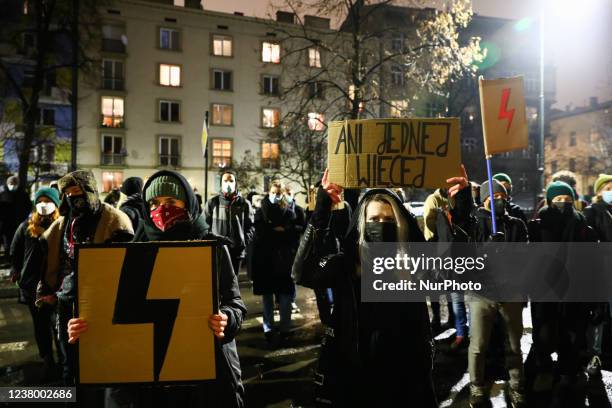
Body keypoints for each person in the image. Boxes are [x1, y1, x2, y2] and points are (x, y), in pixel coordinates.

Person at [67, 170, 247, 407]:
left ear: (188, 203)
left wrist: (226, 318)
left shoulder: (213, 249)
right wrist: (86, 327)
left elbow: (236, 305)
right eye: (154, 203)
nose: (162, 209)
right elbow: (113, 309)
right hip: (147, 383)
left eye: (171, 202)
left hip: (205, 377)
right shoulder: (128, 251)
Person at [294, 169, 472, 407]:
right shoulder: (345, 265)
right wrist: (322, 209)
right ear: (362, 224)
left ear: (400, 225)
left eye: (388, 220)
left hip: (405, 382)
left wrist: (461, 207)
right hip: (355, 380)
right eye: (374, 220)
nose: (381, 225)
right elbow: (302, 272)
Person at [35, 170, 134, 386]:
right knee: (68, 360)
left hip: (99, 303)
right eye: (68, 193)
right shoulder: (63, 223)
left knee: (98, 360)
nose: (73, 197)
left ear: (89, 190)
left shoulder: (114, 221)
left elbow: (119, 268)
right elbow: (51, 258)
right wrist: (47, 290)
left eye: (77, 191)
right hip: (64, 301)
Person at [526, 181, 597, 405]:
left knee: (572, 335)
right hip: (546, 292)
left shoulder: (583, 226)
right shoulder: (536, 227)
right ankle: (545, 371)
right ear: (548, 201)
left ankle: (568, 375)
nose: (563, 204)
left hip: (574, 292)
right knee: (545, 335)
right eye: (557, 200)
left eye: (567, 200)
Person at [466, 179, 527, 408]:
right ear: (484, 201)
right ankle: (477, 387)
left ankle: (517, 386)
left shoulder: (517, 225)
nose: (498, 200)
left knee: (514, 346)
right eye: (493, 197)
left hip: (510, 293)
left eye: (501, 196)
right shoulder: (474, 224)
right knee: (479, 345)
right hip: (482, 295)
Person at [10, 187, 61, 380]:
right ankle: (48, 360)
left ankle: (64, 361)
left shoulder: (61, 225)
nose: (44, 204)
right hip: (32, 286)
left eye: (48, 201)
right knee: (41, 326)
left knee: (57, 324)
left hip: (55, 285)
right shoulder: (26, 226)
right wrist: (16, 271)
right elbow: (15, 250)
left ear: (55, 204)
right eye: (40, 200)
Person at [251, 180, 300, 344]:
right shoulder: (261, 211)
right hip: (266, 260)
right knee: (267, 297)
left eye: (278, 194)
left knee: (285, 295)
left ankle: (285, 327)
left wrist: (280, 230)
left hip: (284, 260)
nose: (275, 196)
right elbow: (260, 233)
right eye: (273, 193)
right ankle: (269, 328)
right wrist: (280, 231)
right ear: (268, 193)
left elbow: (293, 233)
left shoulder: (288, 212)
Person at [580, 174, 612, 377]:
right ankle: (595, 354)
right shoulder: (591, 212)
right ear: (600, 191)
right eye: (608, 187)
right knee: (599, 315)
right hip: (601, 271)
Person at [204, 170, 254, 276]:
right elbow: (204, 226)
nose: (228, 183)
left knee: (233, 285)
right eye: (225, 180)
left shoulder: (244, 204)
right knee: (216, 283)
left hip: (237, 251)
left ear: (235, 183)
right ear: (221, 183)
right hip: (217, 250)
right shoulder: (212, 203)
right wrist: (212, 241)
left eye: (231, 180)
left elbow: (250, 227)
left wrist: (242, 241)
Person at [422, 188, 456, 335]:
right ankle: (436, 318)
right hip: (434, 246)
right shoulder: (432, 199)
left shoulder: (452, 198)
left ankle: (452, 317)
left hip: (448, 247)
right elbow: (429, 221)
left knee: (449, 283)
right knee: (433, 284)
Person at [0, 175, 32, 255]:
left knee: (18, 243)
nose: (13, 186)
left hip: (19, 223)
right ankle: (8, 257)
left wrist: (24, 217)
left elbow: (28, 207)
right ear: (7, 184)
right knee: (7, 243)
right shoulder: (2, 194)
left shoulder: (23, 195)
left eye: (15, 184)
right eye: (11, 183)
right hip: (5, 224)